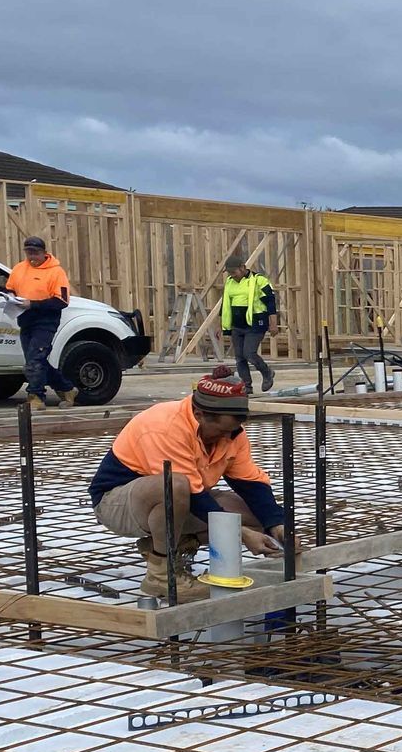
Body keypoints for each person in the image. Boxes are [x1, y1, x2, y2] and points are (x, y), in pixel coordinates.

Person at [88, 366, 289, 599]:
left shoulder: (232, 432)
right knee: (175, 485)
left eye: (231, 431)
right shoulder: (165, 426)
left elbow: (250, 483)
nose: (226, 438)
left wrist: (277, 524)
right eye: (221, 431)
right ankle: (160, 575)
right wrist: (240, 534)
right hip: (118, 504)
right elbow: (191, 494)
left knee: (257, 516)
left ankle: (172, 544)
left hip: (184, 500)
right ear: (199, 414)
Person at [4, 235, 77, 408]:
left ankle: (36, 396)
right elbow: (9, 288)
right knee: (36, 359)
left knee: (35, 359)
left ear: (44, 253)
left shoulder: (55, 272)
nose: (32, 257)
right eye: (29, 253)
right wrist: (11, 297)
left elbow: (62, 301)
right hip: (25, 318)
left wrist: (34, 304)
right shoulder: (19, 269)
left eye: (35, 253)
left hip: (46, 320)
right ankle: (67, 389)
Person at [219, 252, 279, 391]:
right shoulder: (230, 282)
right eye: (229, 272)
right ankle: (247, 386)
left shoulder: (259, 281)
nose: (232, 275)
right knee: (240, 357)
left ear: (242, 267)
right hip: (237, 325)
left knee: (249, 353)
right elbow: (225, 305)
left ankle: (267, 372)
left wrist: (273, 324)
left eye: (234, 272)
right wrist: (220, 325)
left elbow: (270, 303)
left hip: (255, 323)